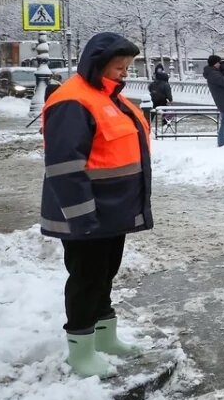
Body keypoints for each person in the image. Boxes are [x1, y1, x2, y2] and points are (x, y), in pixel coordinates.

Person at [41, 32, 151, 378]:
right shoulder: (72, 101)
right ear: (97, 64)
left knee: (105, 274)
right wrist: (81, 217)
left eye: (127, 67)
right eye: (119, 67)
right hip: (86, 215)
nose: (124, 73)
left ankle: (105, 337)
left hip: (111, 213)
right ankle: (81, 350)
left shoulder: (109, 97)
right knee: (86, 278)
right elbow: (64, 167)